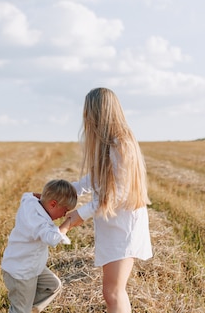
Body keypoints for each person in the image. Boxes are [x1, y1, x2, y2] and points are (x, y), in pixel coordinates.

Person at [67, 87, 152, 313]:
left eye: (88, 112)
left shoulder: (121, 145)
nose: (85, 118)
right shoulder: (109, 145)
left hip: (125, 228)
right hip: (113, 226)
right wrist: (63, 192)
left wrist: (79, 215)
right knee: (111, 291)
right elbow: (93, 179)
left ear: (97, 114)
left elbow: (117, 194)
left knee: (114, 292)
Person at [1, 179, 78, 313]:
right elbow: (53, 238)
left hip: (31, 266)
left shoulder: (30, 202)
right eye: (65, 210)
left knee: (53, 286)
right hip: (21, 273)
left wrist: (44, 196)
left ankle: (26, 308)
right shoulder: (38, 221)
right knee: (21, 310)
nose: (64, 215)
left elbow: (28, 195)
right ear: (53, 204)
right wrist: (69, 223)